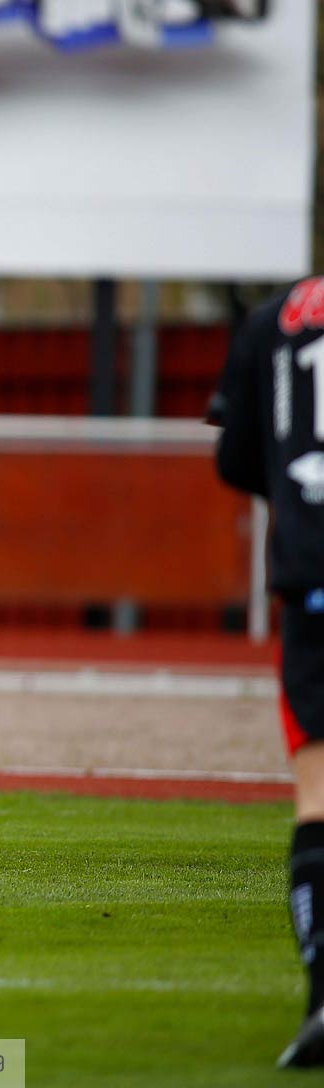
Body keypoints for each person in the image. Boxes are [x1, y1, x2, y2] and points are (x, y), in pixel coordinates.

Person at [211, 275, 324, 1068]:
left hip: (311, 578)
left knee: (318, 798)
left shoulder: (272, 320)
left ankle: (323, 1001)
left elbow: (239, 456)